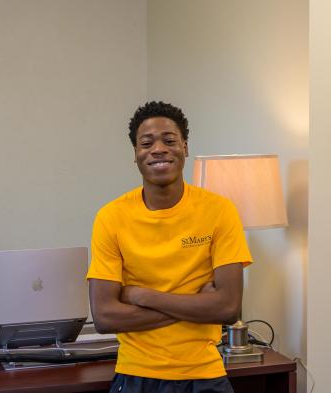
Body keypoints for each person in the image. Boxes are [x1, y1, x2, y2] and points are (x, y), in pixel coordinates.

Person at [86, 101, 252, 393]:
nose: (158, 149)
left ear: (185, 148)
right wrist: (197, 304)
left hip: (204, 376)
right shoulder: (111, 217)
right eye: (146, 143)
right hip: (136, 376)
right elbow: (105, 317)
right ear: (136, 155)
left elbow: (228, 308)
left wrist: (143, 296)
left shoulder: (220, 211)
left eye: (169, 140)